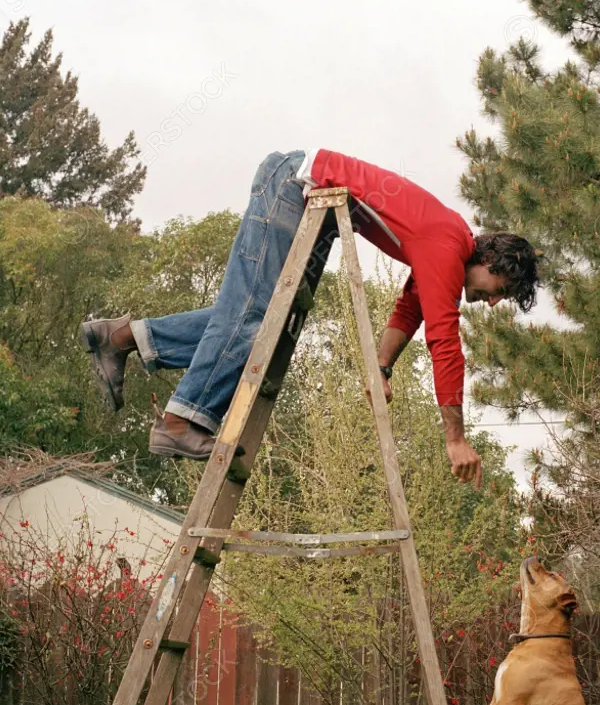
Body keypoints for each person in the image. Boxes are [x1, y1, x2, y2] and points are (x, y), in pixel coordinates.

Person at [81, 148, 540, 488]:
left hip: (309, 200)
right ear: (494, 263)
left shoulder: (444, 243)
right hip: (296, 189)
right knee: (253, 320)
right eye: (501, 291)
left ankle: (123, 339)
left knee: (260, 320)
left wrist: (380, 367)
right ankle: (181, 422)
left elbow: (411, 307)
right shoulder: (448, 246)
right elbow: (444, 342)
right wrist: (455, 439)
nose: (493, 302)